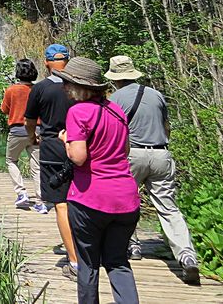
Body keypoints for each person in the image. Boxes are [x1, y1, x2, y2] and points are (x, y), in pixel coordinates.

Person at [107, 55, 200, 284]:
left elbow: (113, 132)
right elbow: (166, 126)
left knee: (125, 201)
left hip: (131, 154)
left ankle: (133, 246)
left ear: (114, 78)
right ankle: (187, 256)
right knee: (168, 207)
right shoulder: (155, 94)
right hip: (161, 152)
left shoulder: (115, 99)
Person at [57, 56, 140, 304]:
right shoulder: (117, 110)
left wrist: (67, 142)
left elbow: (79, 158)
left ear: (78, 86)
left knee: (88, 265)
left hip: (90, 200)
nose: (64, 88)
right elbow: (124, 151)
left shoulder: (78, 111)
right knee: (118, 262)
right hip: (126, 199)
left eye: (67, 83)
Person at [25, 43, 79, 279]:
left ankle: (75, 261)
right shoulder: (78, 86)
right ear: (68, 61)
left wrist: (32, 137)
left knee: (61, 204)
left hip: (52, 149)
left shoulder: (40, 89)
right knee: (82, 199)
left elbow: (29, 120)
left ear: (46, 63)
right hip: (80, 146)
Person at [1, 59, 41, 210]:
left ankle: (21, 192)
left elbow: (4, 110)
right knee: (37, 166)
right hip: (37, 130)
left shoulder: (11, 90)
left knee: (11, 160)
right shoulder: (38, 89)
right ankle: (40, 199)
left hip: (17, 131)